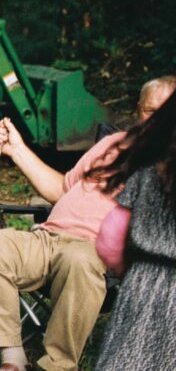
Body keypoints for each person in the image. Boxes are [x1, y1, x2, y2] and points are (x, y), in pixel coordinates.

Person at [0, 76, 176, 371]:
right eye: (150, 111)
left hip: (94, 252)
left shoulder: (167, 163)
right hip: (48, 237)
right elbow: (61, 187)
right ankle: (11, 358)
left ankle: (57, 365)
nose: (156, 121)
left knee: (80, 259)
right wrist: (18, 149)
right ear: (138, 109)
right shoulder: (112, 144)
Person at [92, 86, 176, 370]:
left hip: (143, 283)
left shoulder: (151, 160)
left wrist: (130, 271)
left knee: (128, 360)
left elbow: (111, 236)